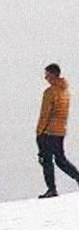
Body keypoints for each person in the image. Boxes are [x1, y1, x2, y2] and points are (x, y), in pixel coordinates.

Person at [36, 63, 79, 198]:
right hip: (60, 131)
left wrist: (39, 132)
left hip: (48, 131)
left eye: (47, 75)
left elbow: (45, 114)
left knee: (46, 160)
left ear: (54, 75)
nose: (46, 78)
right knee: (61, 160)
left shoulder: (50, 92)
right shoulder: (65, 91)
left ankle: (51, 189)